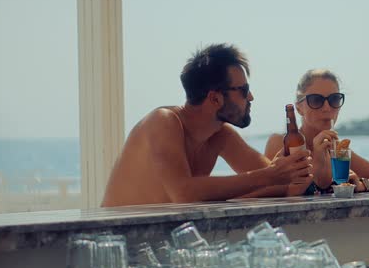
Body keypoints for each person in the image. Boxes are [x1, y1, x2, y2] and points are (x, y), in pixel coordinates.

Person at [102, 44, 312, 207]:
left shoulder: (220, 135)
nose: (251, 97)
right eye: (243, 90)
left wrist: (288, 176)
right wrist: (269, 177)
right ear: (214, 99)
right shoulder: (163, 121)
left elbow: (277, 183)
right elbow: (184, 193)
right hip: (111, 244)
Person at [265, 69, 369, 194]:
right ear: (299, 108)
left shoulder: (335, 149)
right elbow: (269, 191)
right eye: (316, 100)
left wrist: (361, 185)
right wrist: (317, 160)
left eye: (334, 99)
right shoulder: (282, 144)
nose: (327, 108)